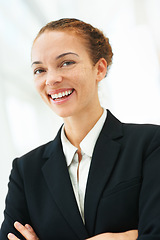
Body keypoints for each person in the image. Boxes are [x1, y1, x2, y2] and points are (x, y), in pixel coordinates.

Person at [0, 18, 160, 240]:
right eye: (39, 70)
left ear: (100, 69)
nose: (52, 79)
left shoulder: (150, 144)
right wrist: (122, 237)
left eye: (66, 63)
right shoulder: (26, 171)